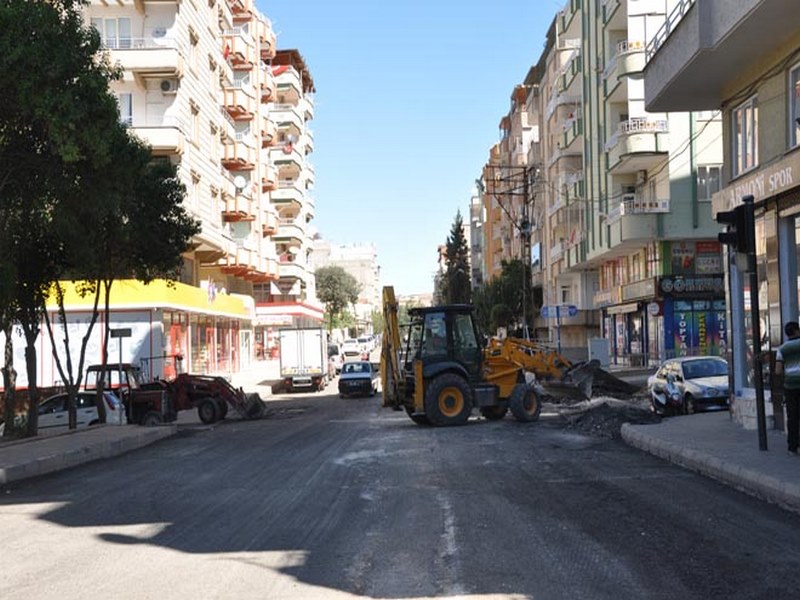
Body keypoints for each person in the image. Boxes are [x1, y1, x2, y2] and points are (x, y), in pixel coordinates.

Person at [775, 321, 800, 456]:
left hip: (790, 386)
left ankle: (792, 447)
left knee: (792, 417)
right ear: (797, 330)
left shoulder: (782, 349)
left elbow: (778, 371)